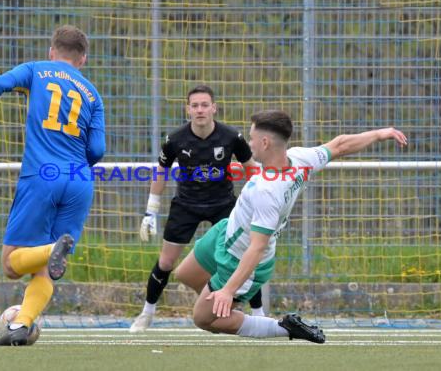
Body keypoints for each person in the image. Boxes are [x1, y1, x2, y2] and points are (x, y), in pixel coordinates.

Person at [173, 110, 407, 343]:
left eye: (252, 138)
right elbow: (340, 145)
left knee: (203, 320)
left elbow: (257, 248)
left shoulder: (268, 190)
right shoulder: (298, 158)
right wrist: (380, 133)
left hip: (238, 256)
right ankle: (224, 305)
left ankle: (283, 327)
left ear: (265, 143)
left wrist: (227, 290)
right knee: (185, 273)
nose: (249, 143)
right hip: (227, 232)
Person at [0, 25, 105, 346]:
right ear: (83, 59)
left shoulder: (37, 70)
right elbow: (97, 150)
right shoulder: (92, 93)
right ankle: (21, 326)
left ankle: (51, 250)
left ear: (52, 51)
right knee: (44, 271)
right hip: (80, 180)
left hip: (42, 176)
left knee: (10, 264)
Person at [130, 85, 262, 333]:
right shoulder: (175, 139)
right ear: (187, 109)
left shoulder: (232, 137)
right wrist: (151, 210)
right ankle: (146, 313)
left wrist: (256, 200)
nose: (200, 110)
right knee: (166, 262)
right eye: (195, 106)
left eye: (204, 105)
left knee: (241, 257)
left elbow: (251, 167)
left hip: (223, 204)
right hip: (186, 205)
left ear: (214, 108)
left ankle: (259, 313)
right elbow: (161, 171)